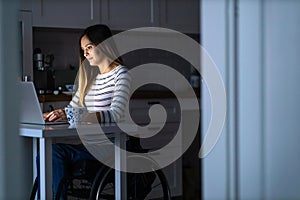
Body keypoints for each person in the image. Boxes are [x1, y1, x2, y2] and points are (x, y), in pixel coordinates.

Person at [37, 24, 131, 199]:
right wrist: (58, 114)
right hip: (89, 146)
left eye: (89, 47)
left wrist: (81, 115)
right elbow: (73, 108)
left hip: (109, 148)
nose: (85, 53)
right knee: (45, 153)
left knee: (53, 153)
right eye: (83, 50)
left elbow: (117, 114)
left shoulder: (121, 74)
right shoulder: (90, 76)